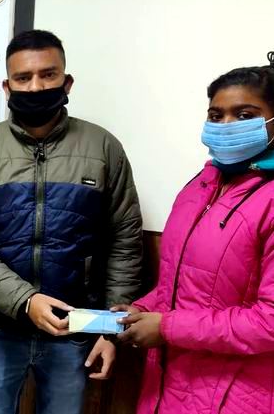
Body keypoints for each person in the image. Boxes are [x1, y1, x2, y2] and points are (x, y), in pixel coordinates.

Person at [0, 29, 143, 414]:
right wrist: (26, 301)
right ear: (7, 87)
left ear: (66, 82)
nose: (36, 87)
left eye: (48, 75)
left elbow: (124, 242)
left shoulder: (103, 148)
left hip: (75, 329)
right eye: (23, 78)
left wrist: (111, 330)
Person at [116, 56, 274, 413]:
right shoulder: (200, 185)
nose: (226, 125)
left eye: (244, 115)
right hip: (168, 386)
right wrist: (144, 308)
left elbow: (269, 321)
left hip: (237, 395)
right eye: (216, 116)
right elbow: (183, 283)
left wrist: (167, 328)